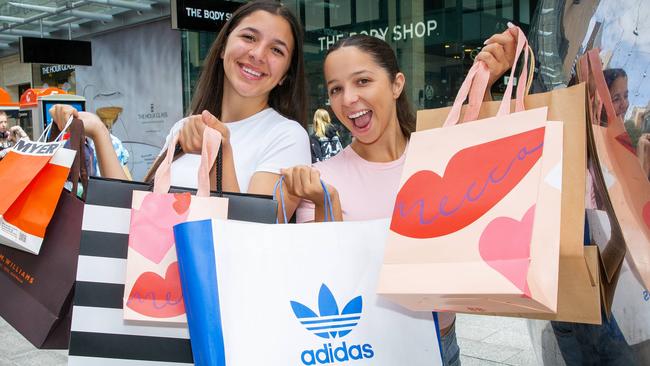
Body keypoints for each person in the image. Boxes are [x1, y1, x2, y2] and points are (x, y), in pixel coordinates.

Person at [280, 25, 520, 365]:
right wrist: (326, 205)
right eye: (336, 89)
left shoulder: (441, 157)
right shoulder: (322, 179)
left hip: (441, 344)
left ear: (396, 84)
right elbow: (320, 280)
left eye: (362, 81)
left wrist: (494, 78)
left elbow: (495, 187)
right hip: (361, 349)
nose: (348, 99)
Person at [50, 0, 311, 218]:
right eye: (249, 37)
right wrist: (98, 132)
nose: (258, 54)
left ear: (286, 75)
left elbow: (253, 238)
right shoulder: (184, 127)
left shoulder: (287, 136)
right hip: (155, 277)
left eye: (276, 50)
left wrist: (220, 154)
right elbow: (133, 211)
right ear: (222, 48)